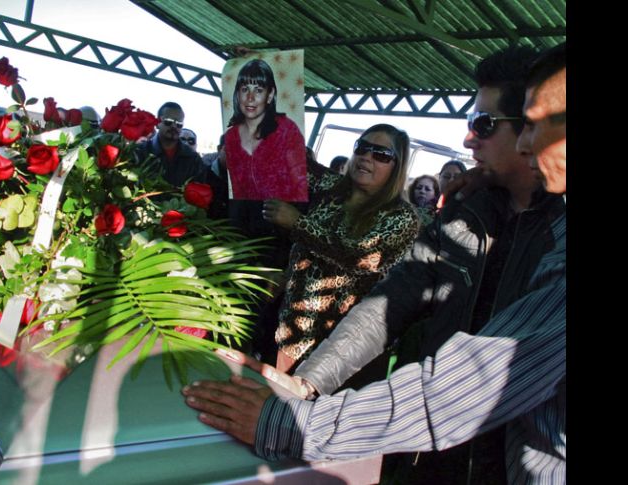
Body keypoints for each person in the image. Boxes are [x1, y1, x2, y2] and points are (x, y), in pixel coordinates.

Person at [183, 42, 566, 485]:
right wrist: (309, 383)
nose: (467, 138)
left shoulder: (551, 237)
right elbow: (391, 302)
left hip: (502, 458)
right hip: (425, 451)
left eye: (483, 123)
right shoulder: (466, 212)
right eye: (363, 148)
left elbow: (472, 385)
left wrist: (292, 423)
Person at [263, 124, 419, 373]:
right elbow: (290, 163)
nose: (367, 157)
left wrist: (298, 224)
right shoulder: (332, 187)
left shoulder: (402, 217)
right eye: (362, 148)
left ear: (397, 166)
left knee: (291, 408)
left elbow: (359, 256)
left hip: (334, 346)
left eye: (380, 154)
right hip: (288, 325)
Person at [224, 59, 307, 202]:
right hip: (248, 220)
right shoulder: (231, 137)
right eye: (245, 89)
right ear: (237, 94)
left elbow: (301, 184)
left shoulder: (287, 130)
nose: (250, 98)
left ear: (270, 95)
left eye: (258, 90)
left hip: (285, 219)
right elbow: (237, 191)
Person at [134, 101, 207, 188]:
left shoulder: (193, 158)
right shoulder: (140, 152)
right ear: (157, 123)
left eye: (179, 124)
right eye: (168, 121)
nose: (174, 126)